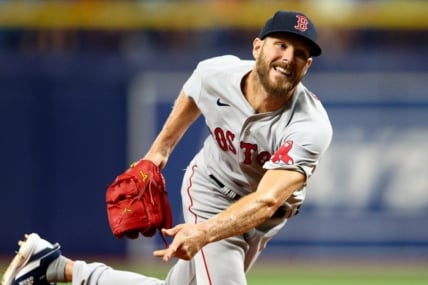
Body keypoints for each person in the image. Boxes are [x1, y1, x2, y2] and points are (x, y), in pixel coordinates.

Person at [2, 10, 332, 285]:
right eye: (281, 45)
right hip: (212, 192)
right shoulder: (217, 73)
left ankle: (52, 266)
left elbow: (266, 199)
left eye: (301, 53)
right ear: (258, 47)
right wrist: (158, 152)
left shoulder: (309, 125)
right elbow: (195, 88)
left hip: (261, 217)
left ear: (308, 66)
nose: (288, 58)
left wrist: (203, 233)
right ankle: (51, 266)